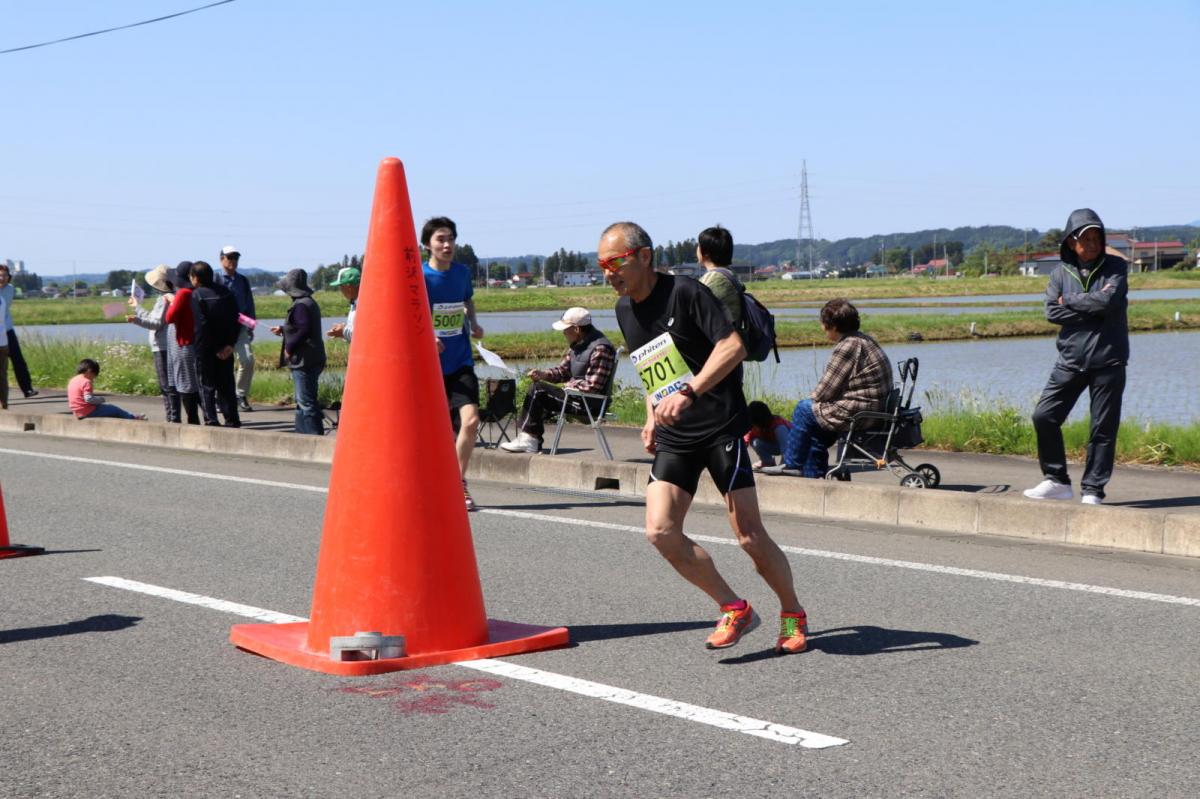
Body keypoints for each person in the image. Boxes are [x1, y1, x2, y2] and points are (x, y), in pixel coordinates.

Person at [601, 220, 809, 655]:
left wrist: (689, 391)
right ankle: (734, 607)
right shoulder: (624, 310)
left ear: (643, 256)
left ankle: (792, 612)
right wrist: (651, 415)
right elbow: (651, 366)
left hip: (720, 427)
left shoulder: (687, 293)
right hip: (677, 434)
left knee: (749, 536)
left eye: (615, 261)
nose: (607, 272)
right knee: (660, 532)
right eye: (601, 264)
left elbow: (731, 347)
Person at [1024, 209, 1129, 505]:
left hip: (1109, 360)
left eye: (1097, 238)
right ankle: (1057, 480)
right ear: (1071, 241)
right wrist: (1091, 310)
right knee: (1044, 416)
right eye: (1086, 239)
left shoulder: (1116, 268)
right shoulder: (1059, 273)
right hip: (1070, 359)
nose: (1093, 244)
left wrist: (1069, 300)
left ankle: (1093, 490)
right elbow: (1051, 311)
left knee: (1102, 428)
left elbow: (1107, 301)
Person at [765, 299, 893, 478]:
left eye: (823, 323)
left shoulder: (847, 346)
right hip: (873, 408)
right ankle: (814, 476)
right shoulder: (863, 340)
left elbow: (824, 392)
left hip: (860, 412)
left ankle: (791, 463)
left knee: (803, 409)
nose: (822, 327)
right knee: (814, 431)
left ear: (832, 326)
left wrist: (811, 402)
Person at [422, 217, 484, 511]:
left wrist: (473, 322)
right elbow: (411, 313)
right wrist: (428, 336)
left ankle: (457, 483)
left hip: (460, 360)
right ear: (427, 245)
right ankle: (433, 484)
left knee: (471, 420)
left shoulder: (461, 273)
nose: (447, 245)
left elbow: (467, 300)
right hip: (428, 366)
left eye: (451, 240)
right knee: (440, 433)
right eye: (440, 240)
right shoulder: (420, 276)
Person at [499, 307, 616, 453]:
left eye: (566, 329)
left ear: (577, 329)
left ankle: (529, 440)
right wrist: (543, 374)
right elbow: (562, 372)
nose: (563, 333)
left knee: (538, 390)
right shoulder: (578, 346)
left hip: (588, 405)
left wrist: (569, 385)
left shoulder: (601, 348)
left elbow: (593, 386)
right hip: (576, 397)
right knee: (538, 386)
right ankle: (528, 438)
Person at [270, 268, 326, 435]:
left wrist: (289, 347)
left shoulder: (300, 305)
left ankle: (315, 438)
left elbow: (303, 330)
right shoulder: (308, 302)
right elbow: (300, 327)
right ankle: (302, 437)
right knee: (303, 401)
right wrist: (283, 329)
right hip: (314, 357)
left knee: (306, 403)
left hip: (304, 360)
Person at [191, 261, 242, 427]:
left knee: (206, 386)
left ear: (196, 278)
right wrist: (230, 344)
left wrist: (214, 348)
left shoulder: (197, 295)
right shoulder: (226, 292)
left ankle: (211, 421)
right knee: (226, 385)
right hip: (226, 348)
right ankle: (232, 420)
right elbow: (237, 319)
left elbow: (202, 326)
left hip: (205, 349)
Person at [126, 264, 180, 421]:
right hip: (168, 345)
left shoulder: (164, 300)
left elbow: (155, 324)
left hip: (162, 346)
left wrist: (136, 320)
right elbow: (154, 318)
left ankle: (172, 418)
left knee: (167, 385)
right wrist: (137, 308)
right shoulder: (171, 297)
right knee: (170, 384)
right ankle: (172, 417)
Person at [216, 246, 257, 413]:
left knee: (247, 360)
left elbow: (249, 303)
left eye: (235, 257)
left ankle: (240, 394)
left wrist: (251, 324)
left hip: (240, 327)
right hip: (220, 328)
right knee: (221, 363)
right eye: (229, 257)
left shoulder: (242, 280)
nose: (233, 260)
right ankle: (221, 398)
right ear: (221, 259)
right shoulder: (215, 278)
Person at [163, 261, 202, 425]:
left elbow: (169, 317)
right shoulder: (198, 293)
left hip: (182, 344)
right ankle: (205, 419)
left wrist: (172, 301)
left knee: (186, 384)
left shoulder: (183, 294)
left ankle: (193, 421)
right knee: (194, 383)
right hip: (192, 342)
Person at [0, 263, 37, 398]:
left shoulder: (11, 289)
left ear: (9, 277)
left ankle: (27, 389)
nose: (2, 278)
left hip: (7, 330)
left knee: (18, 360)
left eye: (4, 275)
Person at [67, 359, 147, 420]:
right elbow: (89, 399)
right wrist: (101, 399)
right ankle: (132, 417)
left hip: (76, 411)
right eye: (94, 376)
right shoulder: (86, 381)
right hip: (87, 411)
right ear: (90, 371)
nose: (93, 379)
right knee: (113, 409)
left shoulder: (73, 379)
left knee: (105, 408)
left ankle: (131, 416)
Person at [695, 225, 742, 327]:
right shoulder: (730, 274)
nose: (696, 249)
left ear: (706, 253)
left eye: (698, 245)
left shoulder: (713, 280)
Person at [744, 400, 792, 468]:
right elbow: (744, 443)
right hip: (776, 446)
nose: (753, 427)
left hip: (791, 448)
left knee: (785, 462)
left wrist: (783, 465)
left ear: (760, 421)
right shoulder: (753, 426)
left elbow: (787, 449)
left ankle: (786, 463)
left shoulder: (779, 426)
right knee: (755, 442)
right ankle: (767, 462)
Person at [325, 266, 360, 344]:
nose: (341, 290)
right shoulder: (354, 303)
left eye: (340, 286)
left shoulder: (364, 306)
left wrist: (343, 330)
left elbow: (363, 334)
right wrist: (341, 333)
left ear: (349, 287)